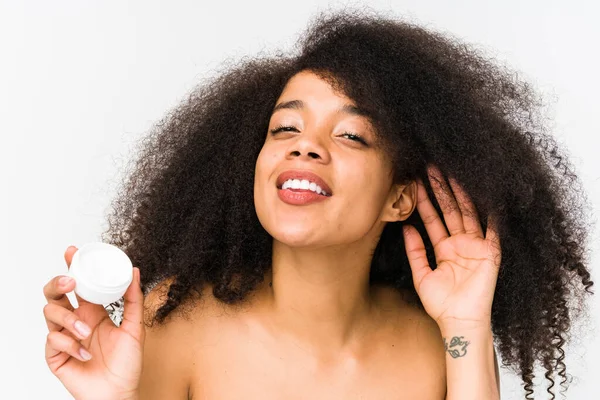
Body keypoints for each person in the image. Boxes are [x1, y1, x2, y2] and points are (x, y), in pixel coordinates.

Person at [43, 9, 594, 400]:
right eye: (285, 127)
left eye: (351, 135)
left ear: (398, 198)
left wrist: (468, 327)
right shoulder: (180, 324)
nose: (304, 144)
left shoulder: (439, 345)